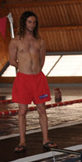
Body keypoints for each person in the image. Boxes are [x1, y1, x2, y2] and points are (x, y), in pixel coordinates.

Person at [9, 11, 54, 153]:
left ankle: (46, 140)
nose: (32, 25)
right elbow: (11, 60)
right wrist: (22, 67)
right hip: (23, 79)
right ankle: (22, 141)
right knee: (22, 111)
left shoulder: (40, 41)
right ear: (24, 23)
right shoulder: (15, 42)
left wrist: (37, 70)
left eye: (34, 22)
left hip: (38, 79)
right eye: (29, 22)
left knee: (42, 109)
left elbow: (42, 58)